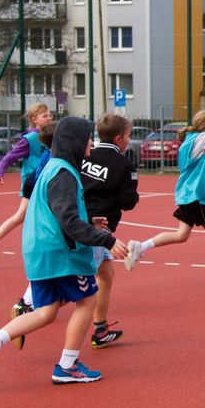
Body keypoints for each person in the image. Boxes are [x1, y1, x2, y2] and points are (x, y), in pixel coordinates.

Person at [0, 116, 129, 386]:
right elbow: (68, 221)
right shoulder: (64, 174)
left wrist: (89, 222)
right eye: (87, 137)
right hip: (60, 253)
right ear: (75, 141)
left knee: (46, 311)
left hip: (40, 250)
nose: (91, 142)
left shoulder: (55, 167)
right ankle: (68, 365)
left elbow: (60, 214)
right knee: (88, 300)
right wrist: (105, 240)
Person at [124, 91, 205, 287]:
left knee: (181, 235)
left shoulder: (189, 143)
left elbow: (192, 168)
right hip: (195, 197)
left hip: (184, 194)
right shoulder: (201, 140)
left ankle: (141, 247)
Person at [82, 113, 140, 348]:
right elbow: (127, 201)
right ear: (118, 139)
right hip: (99, 228)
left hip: (79, 221)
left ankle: (101, 329)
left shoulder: (86, 155)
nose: (129, 140)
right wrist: (134, 194)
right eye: (128, 136)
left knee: (105, 275)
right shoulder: (124, 164)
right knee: (78, 281)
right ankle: (30, 305)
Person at [0, 102, 54, 268]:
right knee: (33, 217)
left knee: (23, 217)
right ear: (34, 119)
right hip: (34, 184)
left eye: (50, 115)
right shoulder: (30, 139)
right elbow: (10, 157)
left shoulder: (50, 136)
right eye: (45, 115)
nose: (49, 118)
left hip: (45, 183)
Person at [8, 121, 56, 351]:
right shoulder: (55, 162)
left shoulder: (49, 156)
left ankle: (25, 304)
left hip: (39, 214)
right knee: (79, 291)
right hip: (47, 219)